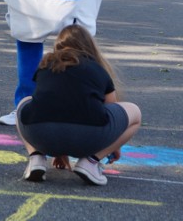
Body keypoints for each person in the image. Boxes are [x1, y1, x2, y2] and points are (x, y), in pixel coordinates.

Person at [15, 24, 141, 186]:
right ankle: (90, 162)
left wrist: (59, 149)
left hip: (40, 134)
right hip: (88, 138)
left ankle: (36, 157)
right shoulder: (97, 68)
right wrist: (112, 145)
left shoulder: (46, 64)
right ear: (89, 45)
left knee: (25, 103)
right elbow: (112, 108)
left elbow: (46, 102)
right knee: (134, 113)